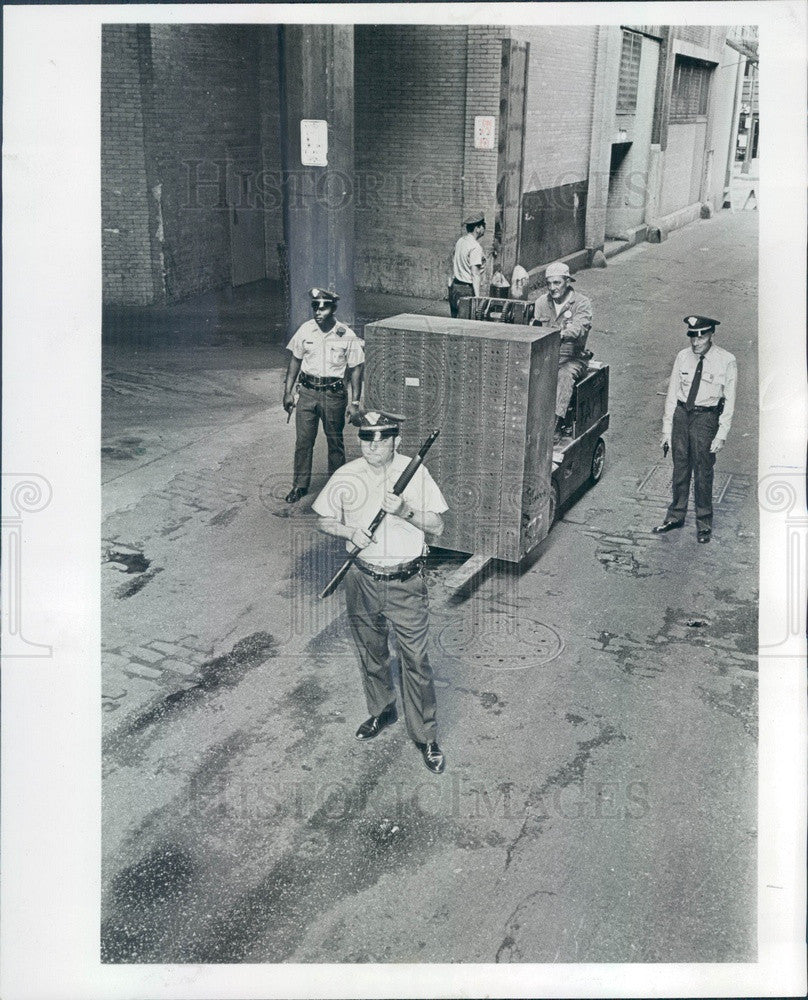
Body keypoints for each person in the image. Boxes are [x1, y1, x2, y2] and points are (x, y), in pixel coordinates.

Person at [312, 410, 449, 774]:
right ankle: (382, 710)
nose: (373, 446)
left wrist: (405, 510)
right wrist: (348, 533)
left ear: (396, 441)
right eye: (367, 438)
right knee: (371, 653)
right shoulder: (346, 475)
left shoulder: (415, 473)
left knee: (415, 661)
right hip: (361, 579)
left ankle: (426, 736)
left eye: (382, 438)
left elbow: (437, 525)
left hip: (405, 583)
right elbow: (324, 518)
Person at [653, 315, 737, 544]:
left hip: (706, 419)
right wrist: (666, 429)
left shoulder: (726, 360)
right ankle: (675, 516)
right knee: (680, 468)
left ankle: (704, 523)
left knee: (703, 471)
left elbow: (729, 401)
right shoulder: (682, 356)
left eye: (701, 337)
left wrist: (721, 434)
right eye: (692, 336)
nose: (696, 342)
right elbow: (672, 394)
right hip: (682, 415)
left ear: (711, 335)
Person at [282, 288, 364, 504]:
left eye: (324, 307)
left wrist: (355, 401)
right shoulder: (305, 331)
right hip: (307, 393)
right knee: (303, 442)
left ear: (334, 308)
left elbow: (356, 368)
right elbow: (295, 361)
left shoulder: (346, 335)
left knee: (335, 442)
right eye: (314, 307)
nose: (318, 312)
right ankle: (299, 486)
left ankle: (337, 488)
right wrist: (287, 392)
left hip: (333, 395)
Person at [532, 261, 593, 443]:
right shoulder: (541, 303)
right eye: (549, 283)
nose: (552, 288)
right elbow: (535, 327)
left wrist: (562, 334)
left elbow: (580, 328)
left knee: (564, 376)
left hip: (572, 358)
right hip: (546, 356)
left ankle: (556, 423)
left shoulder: (581, 303)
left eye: (557, 283)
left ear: (567, 281)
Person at [449, 212, 487, 317]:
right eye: (483, 226)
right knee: (465, 324)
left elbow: (452, 260)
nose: (484, 228)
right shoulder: (475, 247)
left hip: (455, 287)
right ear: (477, 228)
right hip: (466, 290)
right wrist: (478, 298)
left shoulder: (460, 241)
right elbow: (475, 274)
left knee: (455, 321)